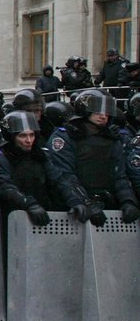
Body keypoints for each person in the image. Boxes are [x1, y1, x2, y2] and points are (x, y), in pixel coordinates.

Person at [47, 89, 140, 226]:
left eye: (106, 112)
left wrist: (128, 201)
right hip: (76, 210)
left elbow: (119, 176)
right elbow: (64, 175)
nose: (103, 116)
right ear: (85, 111)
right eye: (98, 111)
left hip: (107, 205)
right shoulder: (66, 136)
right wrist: (84, 202)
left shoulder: (112, 139)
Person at [0, 111, 63, 226]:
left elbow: (59, 179)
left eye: (31, 135)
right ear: (12, 137)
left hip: (44, 213)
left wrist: (78, 200)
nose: (29, 140)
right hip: (14, 217)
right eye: (22, 135)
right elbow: (5, 186)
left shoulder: (41, 155)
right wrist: (28, 203)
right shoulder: (0, 157)